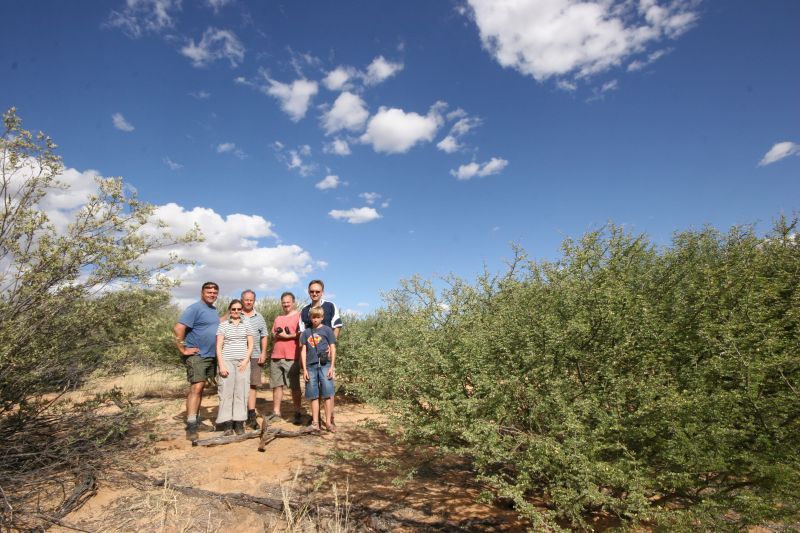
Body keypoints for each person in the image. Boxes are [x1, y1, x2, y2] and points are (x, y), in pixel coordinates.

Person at [174, 281, 220, 441]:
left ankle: (195, 419)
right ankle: (192, 425)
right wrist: (183, 349)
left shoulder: (213, 310)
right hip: (197, 355)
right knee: (197, 387)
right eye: (209, 292)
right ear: (202, 293)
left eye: (214, 292)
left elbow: (215, 324)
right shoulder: (194, 308)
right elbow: (178, 328)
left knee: (201, 388)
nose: (212, 294)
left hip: (210, 355)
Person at [299, 280, 342, 427]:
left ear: (322, 291)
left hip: (326, 357)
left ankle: (330, 420)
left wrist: (331, 344)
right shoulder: (304, 310)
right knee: (313, 390)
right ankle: (316, 420)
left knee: (327, 389)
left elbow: (337, 326)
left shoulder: (330, 306)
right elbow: (302, 333)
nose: (315, 293)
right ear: (309, 292)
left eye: (317, 291)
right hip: (310, 357)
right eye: (312, 291)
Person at [215, 299, 254, 436]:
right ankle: (227, 423)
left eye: (238, 309)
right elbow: (219, 346)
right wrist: (221, 365)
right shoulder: (223, 325)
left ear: (241, 310)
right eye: (233, 309)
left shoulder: (247, 324)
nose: (236, 311)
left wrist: (245, 361)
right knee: (226, 392)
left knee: (241, 392)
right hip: (227, 361)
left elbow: (250, 344)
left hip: (242, 362)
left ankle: (239, 422)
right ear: (230, 310)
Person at [299, 307, 337, 432]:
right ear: (310, 318)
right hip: (310, 366)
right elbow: (303, 350)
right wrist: (304, 369)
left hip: (325, 365)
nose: (315, 319)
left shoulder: (327, 330)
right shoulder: (306, 332)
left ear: (322, 317)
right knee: (313, 395)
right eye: (313, 317)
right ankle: (315, 423)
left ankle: (328, 423)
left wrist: (332, 367)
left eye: (317, 317)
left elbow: (333, 348)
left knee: (327, 394)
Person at [269, 292, 304, 423]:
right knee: (277, 385)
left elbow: (301, 335)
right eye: (283, 302)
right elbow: (274, 334)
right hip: (276, 355)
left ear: (293, 302)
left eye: (288, 302)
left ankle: (297, 411)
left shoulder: (299, 316)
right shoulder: (278, 318)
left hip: (292, 356)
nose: (286, 304)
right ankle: (276, 412)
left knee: (294, 386)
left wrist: (287, 336)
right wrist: (278, 335)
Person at [240, 290, 268, 430]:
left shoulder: (259, 317)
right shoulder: (236, 314)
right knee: (238, 386)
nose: (248, 302)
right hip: (238, 356)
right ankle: (238, 417)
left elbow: (264, 336)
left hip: (255, 355)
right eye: (246, 299)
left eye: (251, 300)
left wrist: (263, 352)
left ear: (254, 301)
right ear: (241, 300)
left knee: (252, 386)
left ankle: (251, 416)